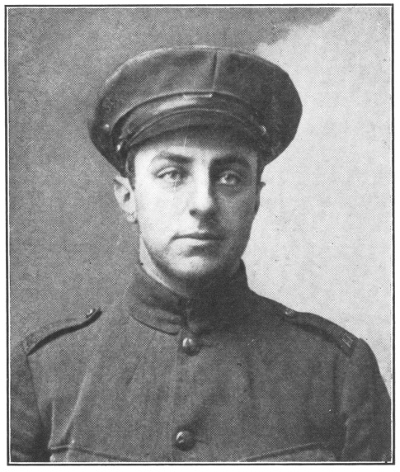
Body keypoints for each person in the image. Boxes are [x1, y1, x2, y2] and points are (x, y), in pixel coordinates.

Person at [10, 46, 391, 463]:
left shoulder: (338, 372)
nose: (204, 203)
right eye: (173, 174)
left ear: (256, 198)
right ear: (128, 197)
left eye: (230, 177)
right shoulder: (42, 372)